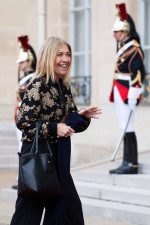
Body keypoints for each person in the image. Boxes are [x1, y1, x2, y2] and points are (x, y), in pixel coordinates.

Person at [10, 36, 102, 225]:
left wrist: (81, 117)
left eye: (68, 54)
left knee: (72, 213)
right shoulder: (37, 85)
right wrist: (54, 127)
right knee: (27, 216)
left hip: (58, 159)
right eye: (59, 54)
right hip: (37, 158)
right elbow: (24, 122)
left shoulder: (63, 86)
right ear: (48, 57)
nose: (65, 59)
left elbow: (69, 124)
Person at [109, 3, 145, 174]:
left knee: (127, 126)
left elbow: (138, 73)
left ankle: (132, 163)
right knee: (123, 125)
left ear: (125, 32)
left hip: (127, 91)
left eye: (117, 31)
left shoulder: (134, 49)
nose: (114, 34)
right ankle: (126, 161)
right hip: (119, 88)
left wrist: (133, 95)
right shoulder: (124, 47)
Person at [12, 35, 37, 190]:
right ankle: (23, 177)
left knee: (25, 148)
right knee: (21, 148)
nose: (20, 65)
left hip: (26, 117)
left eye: (22, 62)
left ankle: (26, 179)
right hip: (18, 116)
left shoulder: (33, 78)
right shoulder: (25, 78)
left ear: (29, 61)